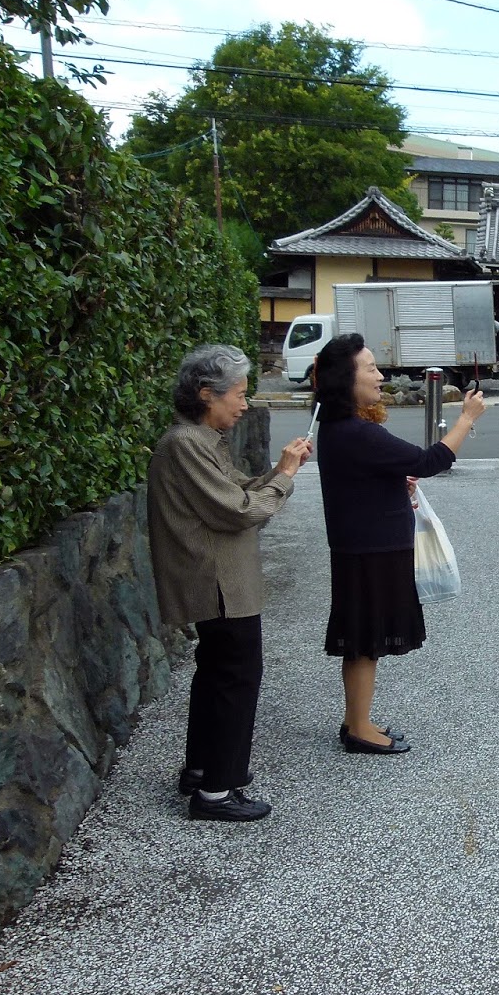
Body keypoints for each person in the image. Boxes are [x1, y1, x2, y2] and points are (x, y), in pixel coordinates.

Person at [147, 344, 312, 822]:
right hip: (219, 582)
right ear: (206, 394)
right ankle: (217, 791)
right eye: (238, 394)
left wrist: (281, 471)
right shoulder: (186, 444)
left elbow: (237, 491)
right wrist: (284, 477)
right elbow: (239, 510)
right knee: (235, 680)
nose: (244, 404)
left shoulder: (197, 440)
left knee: (217, 674)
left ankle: (203, 770)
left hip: (219, 580)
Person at [312, 334, 488, 755]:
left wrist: (392, 482)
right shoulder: (356, 432)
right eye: (370, 368)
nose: (380, 376)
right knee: (364, 642)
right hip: (370, 550)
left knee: (362, 640)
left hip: (363, 546)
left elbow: (365, 479)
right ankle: (359, 729)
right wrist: (466, 418)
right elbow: (430, 461)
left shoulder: (340, 428)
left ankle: (356, 718)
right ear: (346, 378)